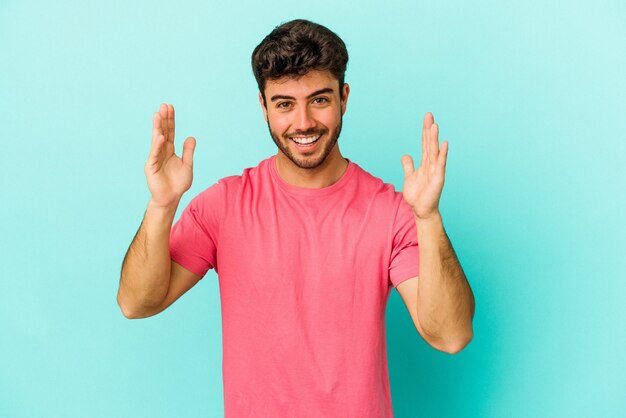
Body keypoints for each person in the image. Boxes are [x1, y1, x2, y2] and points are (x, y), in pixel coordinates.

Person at [118, 19, 475, 417]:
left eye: (319, 100)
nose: (303, 122)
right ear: (264, 107)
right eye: (285, 104)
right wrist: (162, 206)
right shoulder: (223, 206)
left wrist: (427, 218)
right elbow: (136, 303)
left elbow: (451, 335)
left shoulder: (391, 212)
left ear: (344, 97)